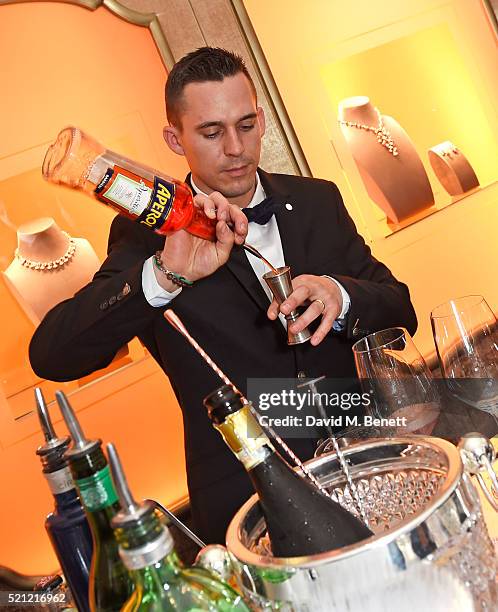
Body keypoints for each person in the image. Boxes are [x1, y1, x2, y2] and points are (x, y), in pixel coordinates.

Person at [29, 47, 417, 544]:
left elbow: (401, 311)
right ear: (176, 138)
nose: (236, 147)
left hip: (368, 467)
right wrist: (165, 275)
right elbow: (52, 355)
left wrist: (341, 296)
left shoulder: (318, 198)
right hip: (249, 504)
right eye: (212, 133)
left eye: (247, 124)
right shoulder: (145, 241)